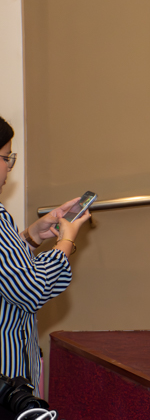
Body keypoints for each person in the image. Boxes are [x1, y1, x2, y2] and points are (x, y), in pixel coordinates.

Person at [0, 116, 90, 392]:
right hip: (6, 381)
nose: (9, 167)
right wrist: (66, 241)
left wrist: (33, 235)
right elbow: (30, 289)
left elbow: (6, 268)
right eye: (6, 157)